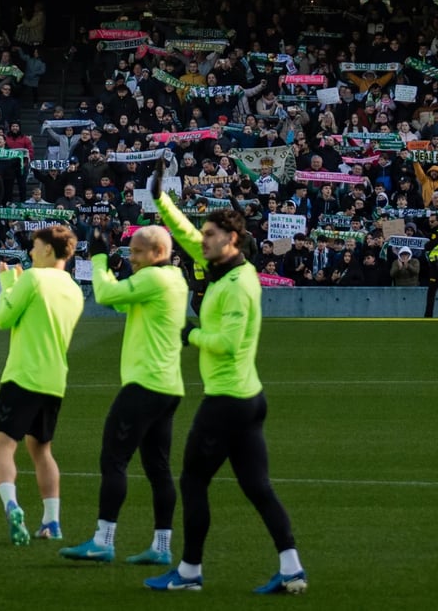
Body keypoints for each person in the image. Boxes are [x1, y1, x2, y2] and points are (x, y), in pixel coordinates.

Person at [145, 158, 307, 594]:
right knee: (257, 487)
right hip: (247, 397)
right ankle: (292, 568)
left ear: (231, 240)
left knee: (194, 482)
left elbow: (228, 344)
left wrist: (190, 332)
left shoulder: (238, 285)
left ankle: (190, 573)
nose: (203, 240)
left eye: (211, 235)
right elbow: (183, 233)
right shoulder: (222, 264)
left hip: (227, 401)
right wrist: (161, 199)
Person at [60, 226, 187, 565]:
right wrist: (118, 274)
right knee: (158, 468)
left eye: (137, 253)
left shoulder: (153, 279)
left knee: (114, 459)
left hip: (144, 384)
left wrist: (99, 257)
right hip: (168, 386)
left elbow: (104, 295)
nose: (132, 259)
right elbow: (124, 304)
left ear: (157, 252)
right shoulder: (175, 279)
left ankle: (103, 540)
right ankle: (162, 546)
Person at [0, 226, 84, 547]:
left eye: (35, 246)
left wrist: (7, 285)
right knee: (42, 451)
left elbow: (3, 319)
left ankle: (12, 506)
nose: (30, 252)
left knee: (3, 445)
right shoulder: (74, 289)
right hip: (54, 379)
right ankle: (52, 521)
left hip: (22, 375)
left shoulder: (33, 278)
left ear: (47, 250)